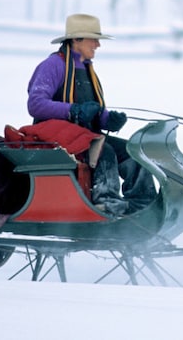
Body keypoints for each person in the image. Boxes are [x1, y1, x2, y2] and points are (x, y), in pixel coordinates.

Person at [28, 14, 153, 212]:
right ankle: (106, 204)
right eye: (93, 39)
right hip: (58, 139)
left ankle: (143, 205)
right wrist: (74, 111)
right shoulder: (52, 65)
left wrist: (108, 120)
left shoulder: (87, 69)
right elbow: (36, 104)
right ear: (76, 40)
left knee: (133, 151)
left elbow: (92, 108)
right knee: (105, 151)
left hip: (86, 137)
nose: (98, 45)